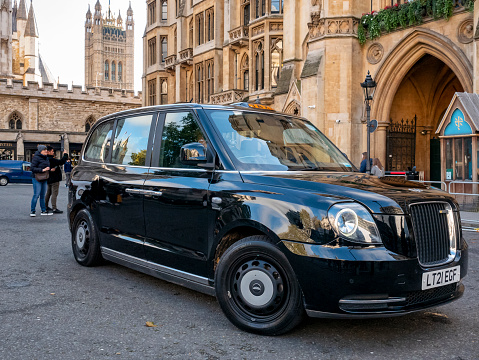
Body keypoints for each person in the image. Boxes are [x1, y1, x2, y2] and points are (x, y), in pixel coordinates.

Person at [45, 146, 68, 214]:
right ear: (48, 151)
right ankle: (54, 208)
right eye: (52, 151)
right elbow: (61, 161)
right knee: (54, 194)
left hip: (49, 178)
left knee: (48, 193)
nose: (53, 152)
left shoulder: (45, 159)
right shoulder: (51, 159)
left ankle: (45, 206)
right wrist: (65, 154)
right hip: (54, 179)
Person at [30, 145, 52, 217]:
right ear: (40, 151)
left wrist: (49, 169)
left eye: (46, 150)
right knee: (36, 195)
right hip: (37, 178)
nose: (46, 151)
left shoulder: (46, 158)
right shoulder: (36, 157)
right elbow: (32, 168)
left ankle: (43, 210)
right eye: (44, 150)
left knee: (42, 195)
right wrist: (42, 170)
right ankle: (32, 211)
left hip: (44, 178)